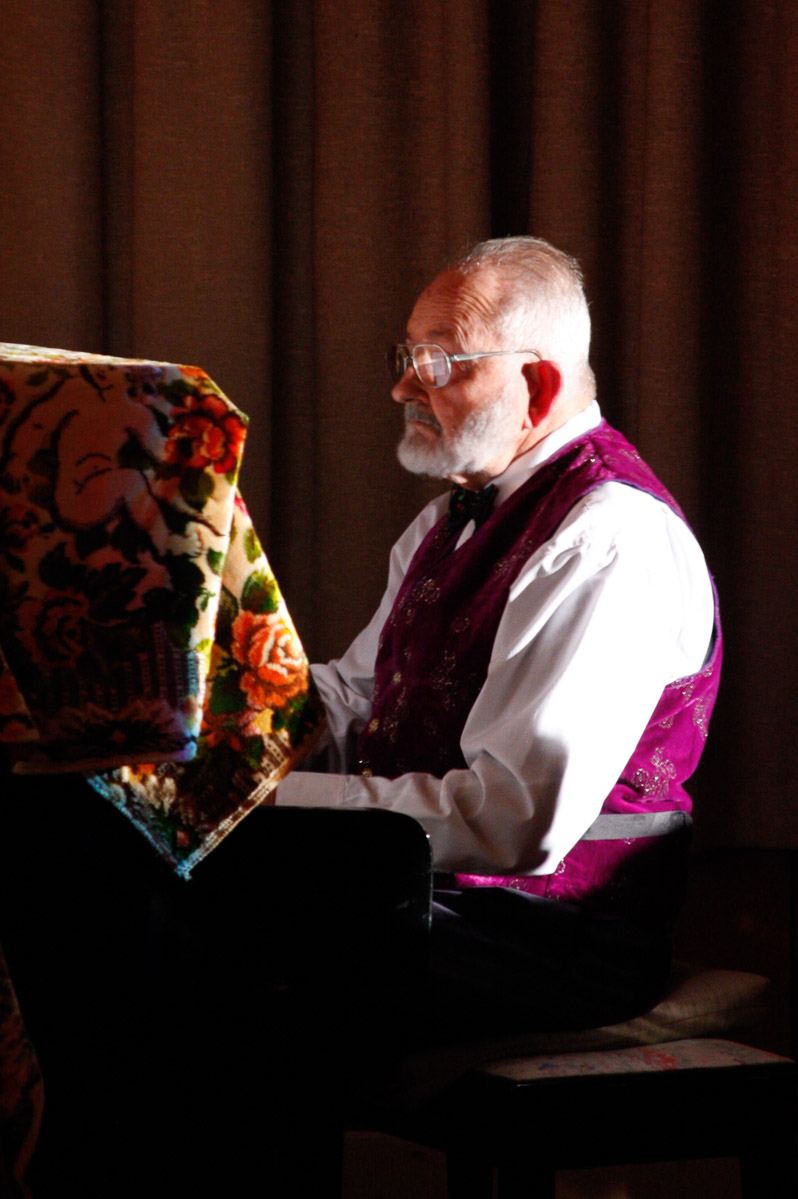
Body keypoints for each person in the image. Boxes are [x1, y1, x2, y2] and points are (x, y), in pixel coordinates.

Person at [276, 235, 721, 1038]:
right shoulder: (444, 522)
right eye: (407, 355)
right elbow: (359, 698)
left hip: (555, 940)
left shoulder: (606, 537)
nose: (403, 386)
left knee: (207, 942)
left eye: (438, 362)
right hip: (437, 899)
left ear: (537, 386)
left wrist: (269, 803)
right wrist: (206, 723)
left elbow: (515, 818)